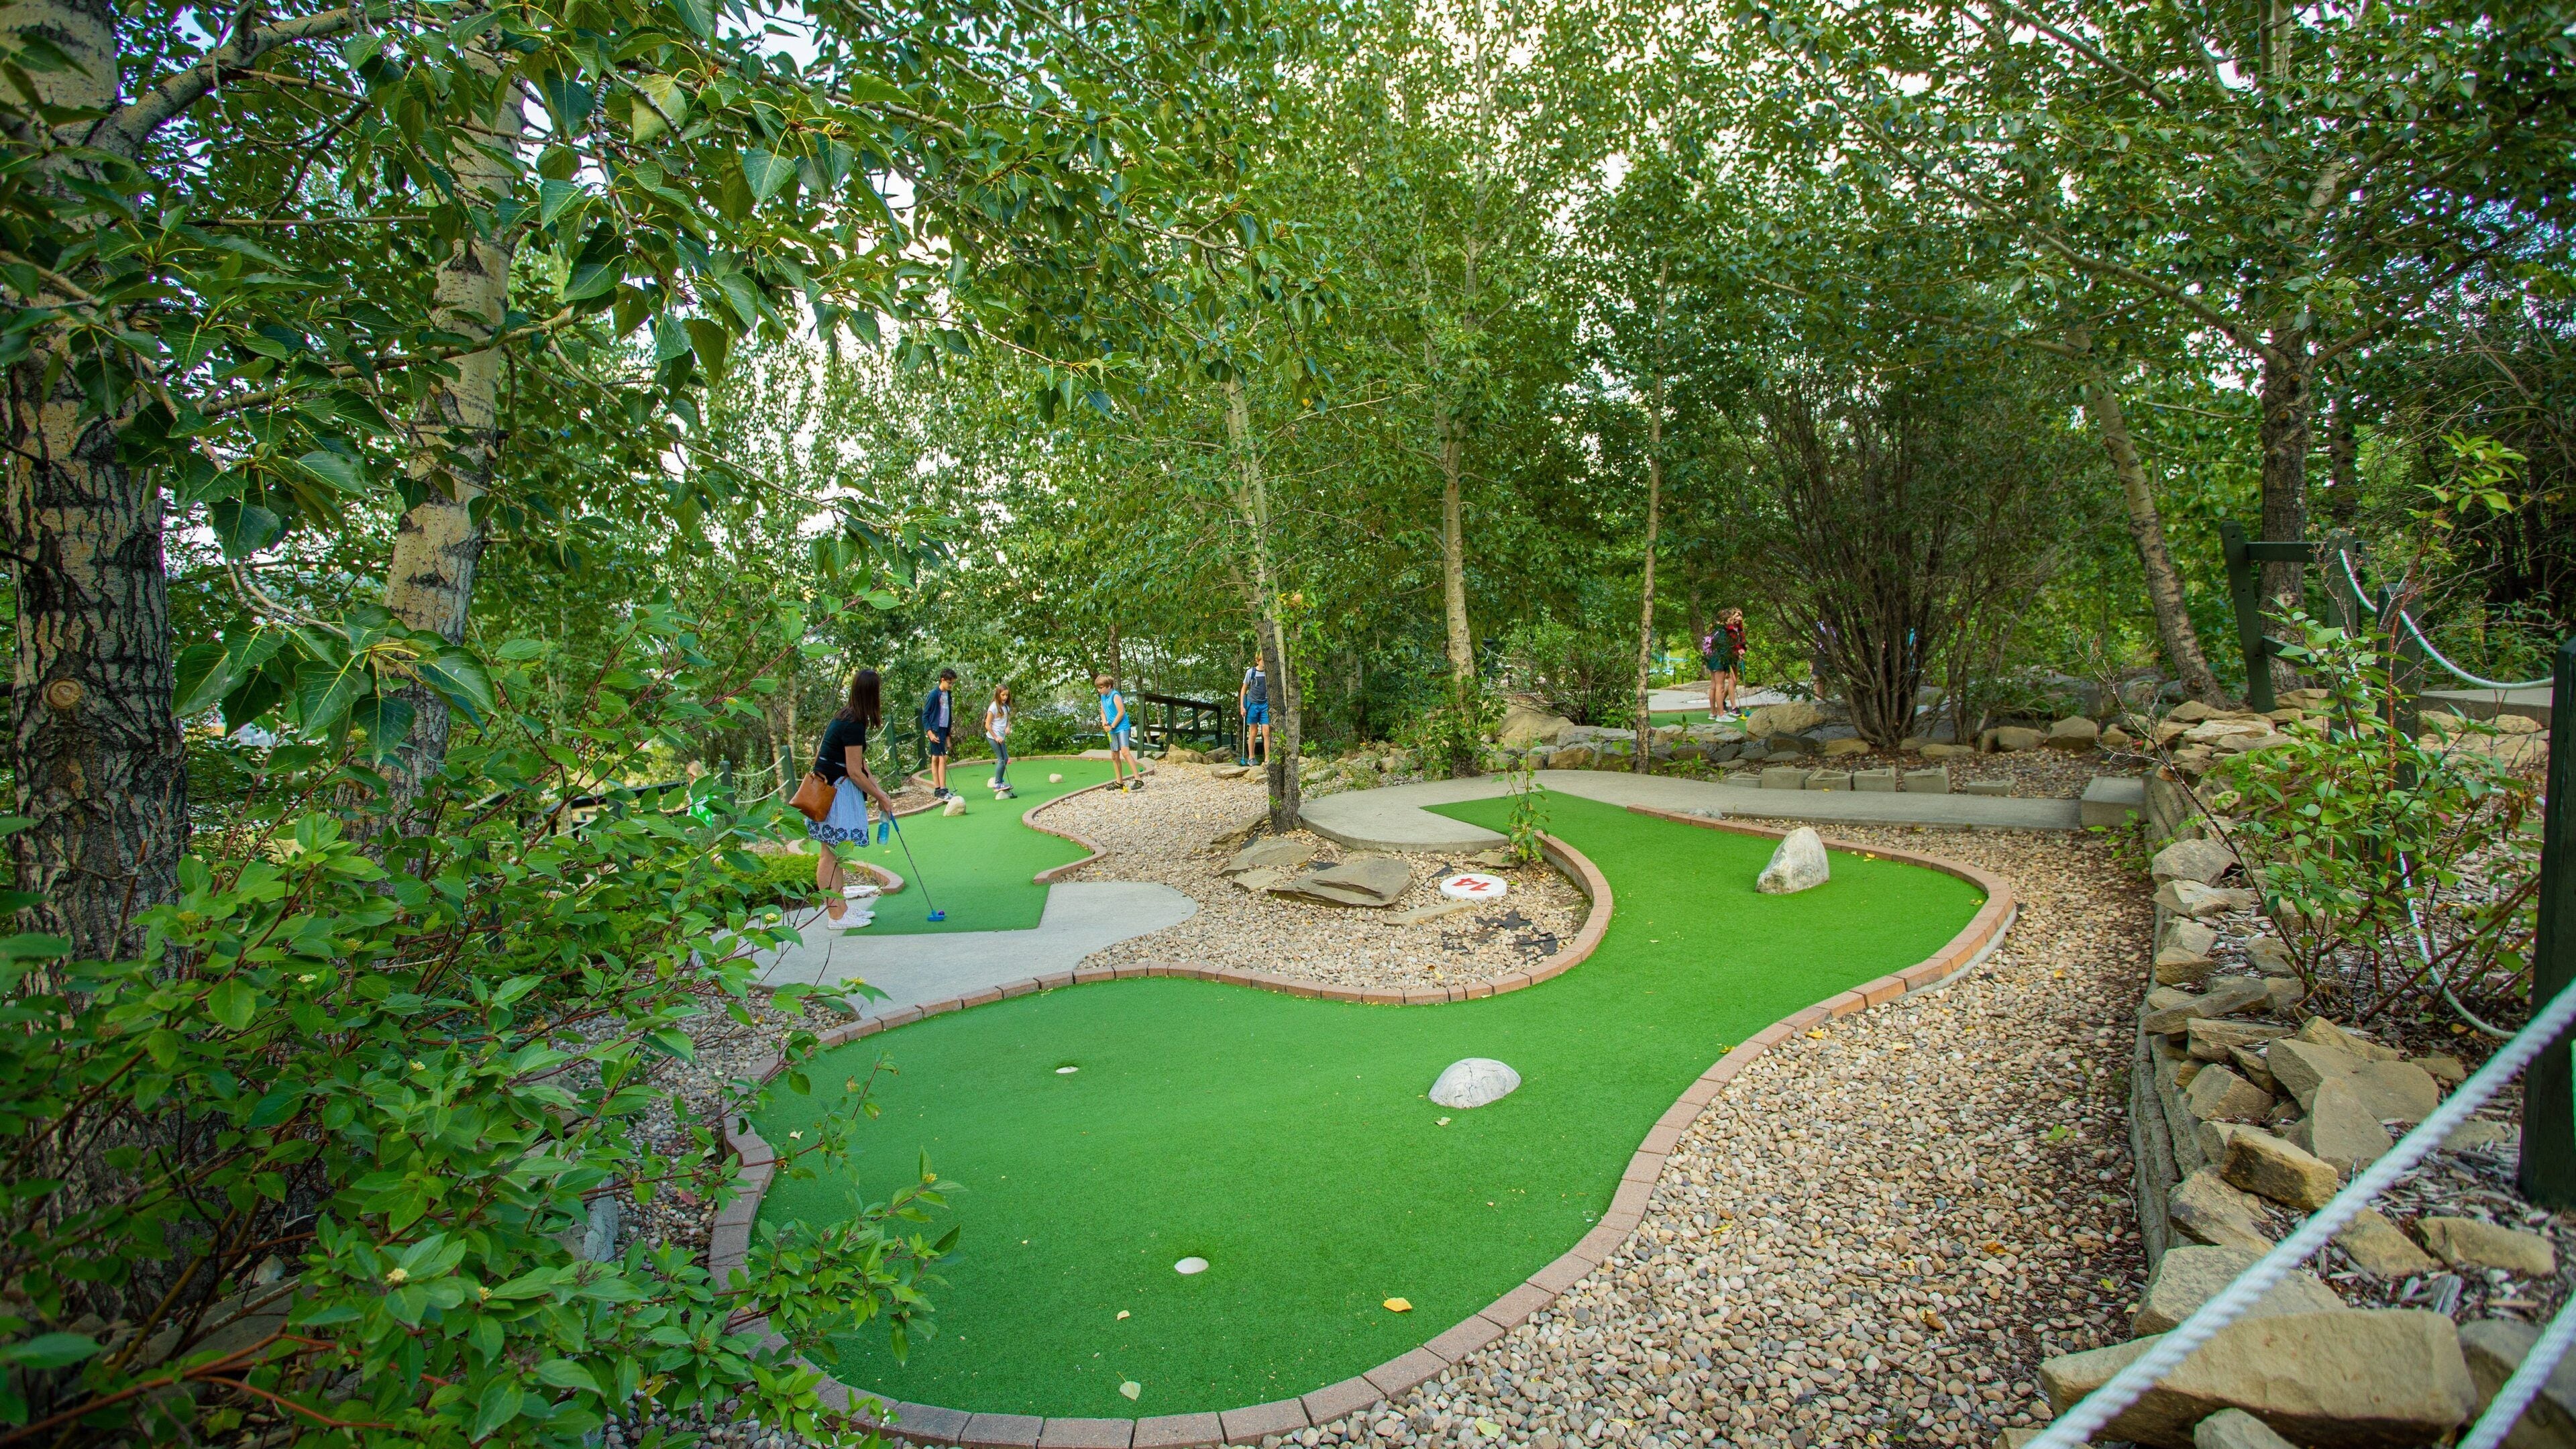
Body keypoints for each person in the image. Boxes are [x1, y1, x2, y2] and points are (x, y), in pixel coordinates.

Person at [810, 668, 898, 928]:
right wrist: (880, 796)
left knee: (836, 853)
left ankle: (842, 909)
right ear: (872, 693)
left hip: (836, 789)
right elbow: (854, 771)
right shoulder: (853, 723)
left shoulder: (848, 716)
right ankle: (835, 915)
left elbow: (861, 765)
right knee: (830, 853)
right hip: (834, 793)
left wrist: (880, 791)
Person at [1097, 672, 1140, 792]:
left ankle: (1138, 779)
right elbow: (1103, 712)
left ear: (1109, 686)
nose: (1099, 690)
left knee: (1125, 752)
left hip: (1121, 727)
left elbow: (1121, 712)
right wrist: (1104, 722)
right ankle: (1119, 782)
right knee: (1114, 756)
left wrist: (1113, 726)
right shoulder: (1103, 697)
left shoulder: (1115, 695)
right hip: (1111, 728)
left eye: (1101, 687)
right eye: (1098, 688)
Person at [921, 667, 958, 799]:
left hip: (943, 729)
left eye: (953, 683)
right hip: (935, 730)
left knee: (936, 758)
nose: (951, 685)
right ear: (942, 680)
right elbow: (925, 716)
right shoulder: (933, 694)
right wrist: (930, 733)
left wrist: (948, 736)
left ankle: (938, 789)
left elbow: (948, 716)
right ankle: (943, 790)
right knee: (942, 758)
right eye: (950, 683)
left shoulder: (948, 694)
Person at [1713, 608, 1748, 718]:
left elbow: (1741, 642)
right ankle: (1733, 707)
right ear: (1731, 617)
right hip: (1729, 656)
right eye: (1737, 616)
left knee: (1734, 681)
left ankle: (1722, 701)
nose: (1739, 618)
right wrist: (1737, 652)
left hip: (1736, 656)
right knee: (1731, 681)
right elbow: (1729, 644)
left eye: (1741, 616)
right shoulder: (1728, 629)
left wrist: (1742, 650)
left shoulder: (1739, 628)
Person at [1238, 653, 1270, 765]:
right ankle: (1251, 757)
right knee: (1254, 731)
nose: (1265, 663)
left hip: (1265, 704)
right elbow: (1244, 689)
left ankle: (1267, 759)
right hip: (1252, 704)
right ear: (1258, 661)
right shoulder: (1251, 672)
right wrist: (1242, 706)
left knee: (1266, 732)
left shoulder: (1269, 672)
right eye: (1263, 661)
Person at [984, 684, 1016, 797]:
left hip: (1001, 738)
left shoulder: (1006, 707)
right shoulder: (993, 707)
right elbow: (987, 725)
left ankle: (1000, 781)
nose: (1005, 697)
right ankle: (997, 783)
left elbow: (1008, 720)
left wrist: (1008, 727)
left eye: (1007, 695)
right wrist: (996, 737)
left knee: (1006, 758)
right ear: (998, 695)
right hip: (993, 737)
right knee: (1002, 759)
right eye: (1003, 695)